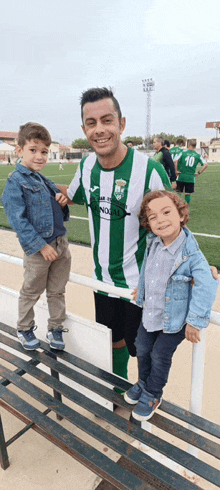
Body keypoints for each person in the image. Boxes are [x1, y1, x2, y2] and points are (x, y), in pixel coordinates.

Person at [58, 87, 172, 383]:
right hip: (102, 280)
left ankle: (146, 393)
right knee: (112, 340)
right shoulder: (85, 167)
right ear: (84, 129)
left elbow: (174, 228)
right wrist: (32, 183)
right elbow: (71, 195)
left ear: (121, 124)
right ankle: (119, 390)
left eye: (107, 120)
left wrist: (196, 262)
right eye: (91, 123)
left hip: (139, 285)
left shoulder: (149, 172)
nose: (100, 130)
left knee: (142, 348)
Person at [124, 190, 218, 421]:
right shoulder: (153, 244)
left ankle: (153, 394)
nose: (160, 220)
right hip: (151, 314)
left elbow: (207, 285)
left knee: (159, 355)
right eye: (153, 217)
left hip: (174, 321)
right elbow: (149, 271)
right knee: (141, 348)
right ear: (148, 223)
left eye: (166, 212)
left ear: (181, 215)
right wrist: (142, 290)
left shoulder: (191, 255)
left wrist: (195, 322)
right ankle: (143, 383)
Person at [1, 122, 71, 351]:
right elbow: (18, 221)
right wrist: (41, 247)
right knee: (31, 291)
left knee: (57, 291)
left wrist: (61, 203)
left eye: (44, 151)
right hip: (41, 250)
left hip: (61, 246)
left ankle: (56, 327)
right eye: (33, 150)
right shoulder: (15, 182)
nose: (40, 156)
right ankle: (24, 328)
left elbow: (55, 213)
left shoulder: (44, 180)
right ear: (19, 151)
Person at [175, 139, 208, 204]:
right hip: (190, 178)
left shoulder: (182, 153)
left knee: (178, 193)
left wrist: (176, 170)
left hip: (181, 176)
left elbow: (176, 160)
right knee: (188, 194)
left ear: (189, 145)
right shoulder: (198, 155)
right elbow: (206, 164)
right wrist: (199, 172)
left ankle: (176, 207)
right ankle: (186, 208)